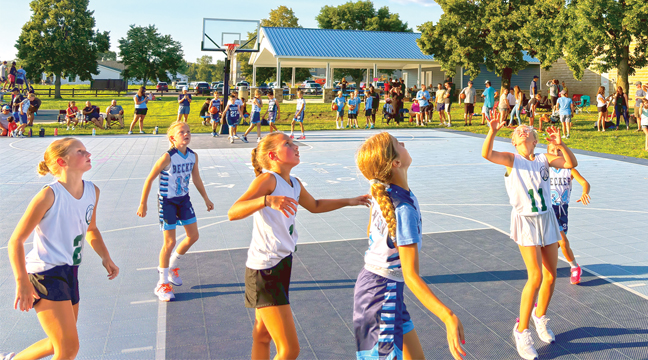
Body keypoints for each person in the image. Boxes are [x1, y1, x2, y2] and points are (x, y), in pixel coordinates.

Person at [227, 133, 370, 360]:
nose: (296, 146)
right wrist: (266, 200)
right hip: (266, 270)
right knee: (289, 350)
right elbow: (233, 212)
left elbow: (314, 205)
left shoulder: (293, 183)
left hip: (282, 263)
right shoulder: (268, 180)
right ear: (273, 155)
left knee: (262, 337)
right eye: (288, 144)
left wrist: (349, 201)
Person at [354, 132, 466, 360]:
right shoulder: (401, 208)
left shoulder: (384, 193)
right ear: (395, 163)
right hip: (381, 293)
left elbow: (370, 233)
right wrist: (447, 316)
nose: (403, 143)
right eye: (398, 144)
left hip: (381, 287)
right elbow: (411, 275)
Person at [6, 138, 119, 360]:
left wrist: (106, 257)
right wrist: (23, 282)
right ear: (62, 161)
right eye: (80, 151)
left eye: (86, 150)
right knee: (68, 349)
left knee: (56, 342)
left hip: (70, 271)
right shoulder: (49, 195)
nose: (88, 154)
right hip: (46, 273)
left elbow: (91, 228)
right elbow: (16, 241)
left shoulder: (92, 191)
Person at [482, 122, 577, 360]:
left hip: (547, 219)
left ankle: (540, 317)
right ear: (514, 142)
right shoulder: (512, 159)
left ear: (535, 141)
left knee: (552, 276)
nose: (522, 131)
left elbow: (571, 164)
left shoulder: (544, 159)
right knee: (535, 276)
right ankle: (521, 330)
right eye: (518, 132)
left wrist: (560, 144)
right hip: (526, 221)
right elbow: (487, 154)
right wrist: (492, 131)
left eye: (528, 131)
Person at [137, 122, 214, 301]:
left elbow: (196, 178)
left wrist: (206, 198)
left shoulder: (193, 156)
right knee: (169, 242)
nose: (186, 134)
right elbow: (149, 180)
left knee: (193, 236)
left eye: (188, 131)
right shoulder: (167, 157)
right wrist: (143, 203)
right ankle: (162, 283)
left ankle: (171, 266)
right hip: (167, 201)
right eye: (181, 132)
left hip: (183, 199)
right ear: (173, 138)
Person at [547, 142, 590, 285]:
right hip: (548, 209)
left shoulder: (569, 170)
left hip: (562, 209)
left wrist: (585, 192)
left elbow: (584, 183)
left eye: (559, 150)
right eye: (553, 151)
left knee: (558, 245)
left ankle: (552, 266)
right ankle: (574, 268)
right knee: (562, 242)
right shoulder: (545, 169)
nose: (556, 153)